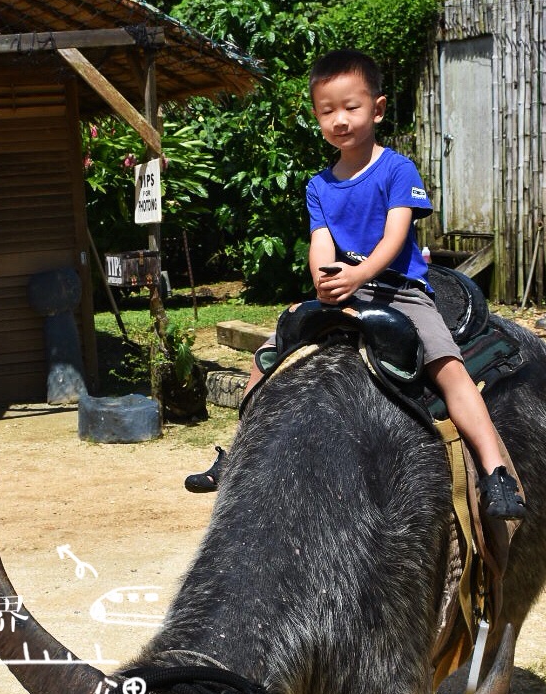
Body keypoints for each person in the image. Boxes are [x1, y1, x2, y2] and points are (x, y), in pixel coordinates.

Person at [186, 47, 526, 519]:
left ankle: (495, 470)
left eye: (351, 107)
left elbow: (396, 235)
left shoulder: (395, 169)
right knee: (269, 355)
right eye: (328, 111)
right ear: (317, 118)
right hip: (342, 289)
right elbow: (320, 241)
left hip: (396, 290)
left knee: (447, 367)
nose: (340, 120)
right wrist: (323, 282)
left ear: (378, 109)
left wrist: (361, 274)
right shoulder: (319, 185)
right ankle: (242, 450)